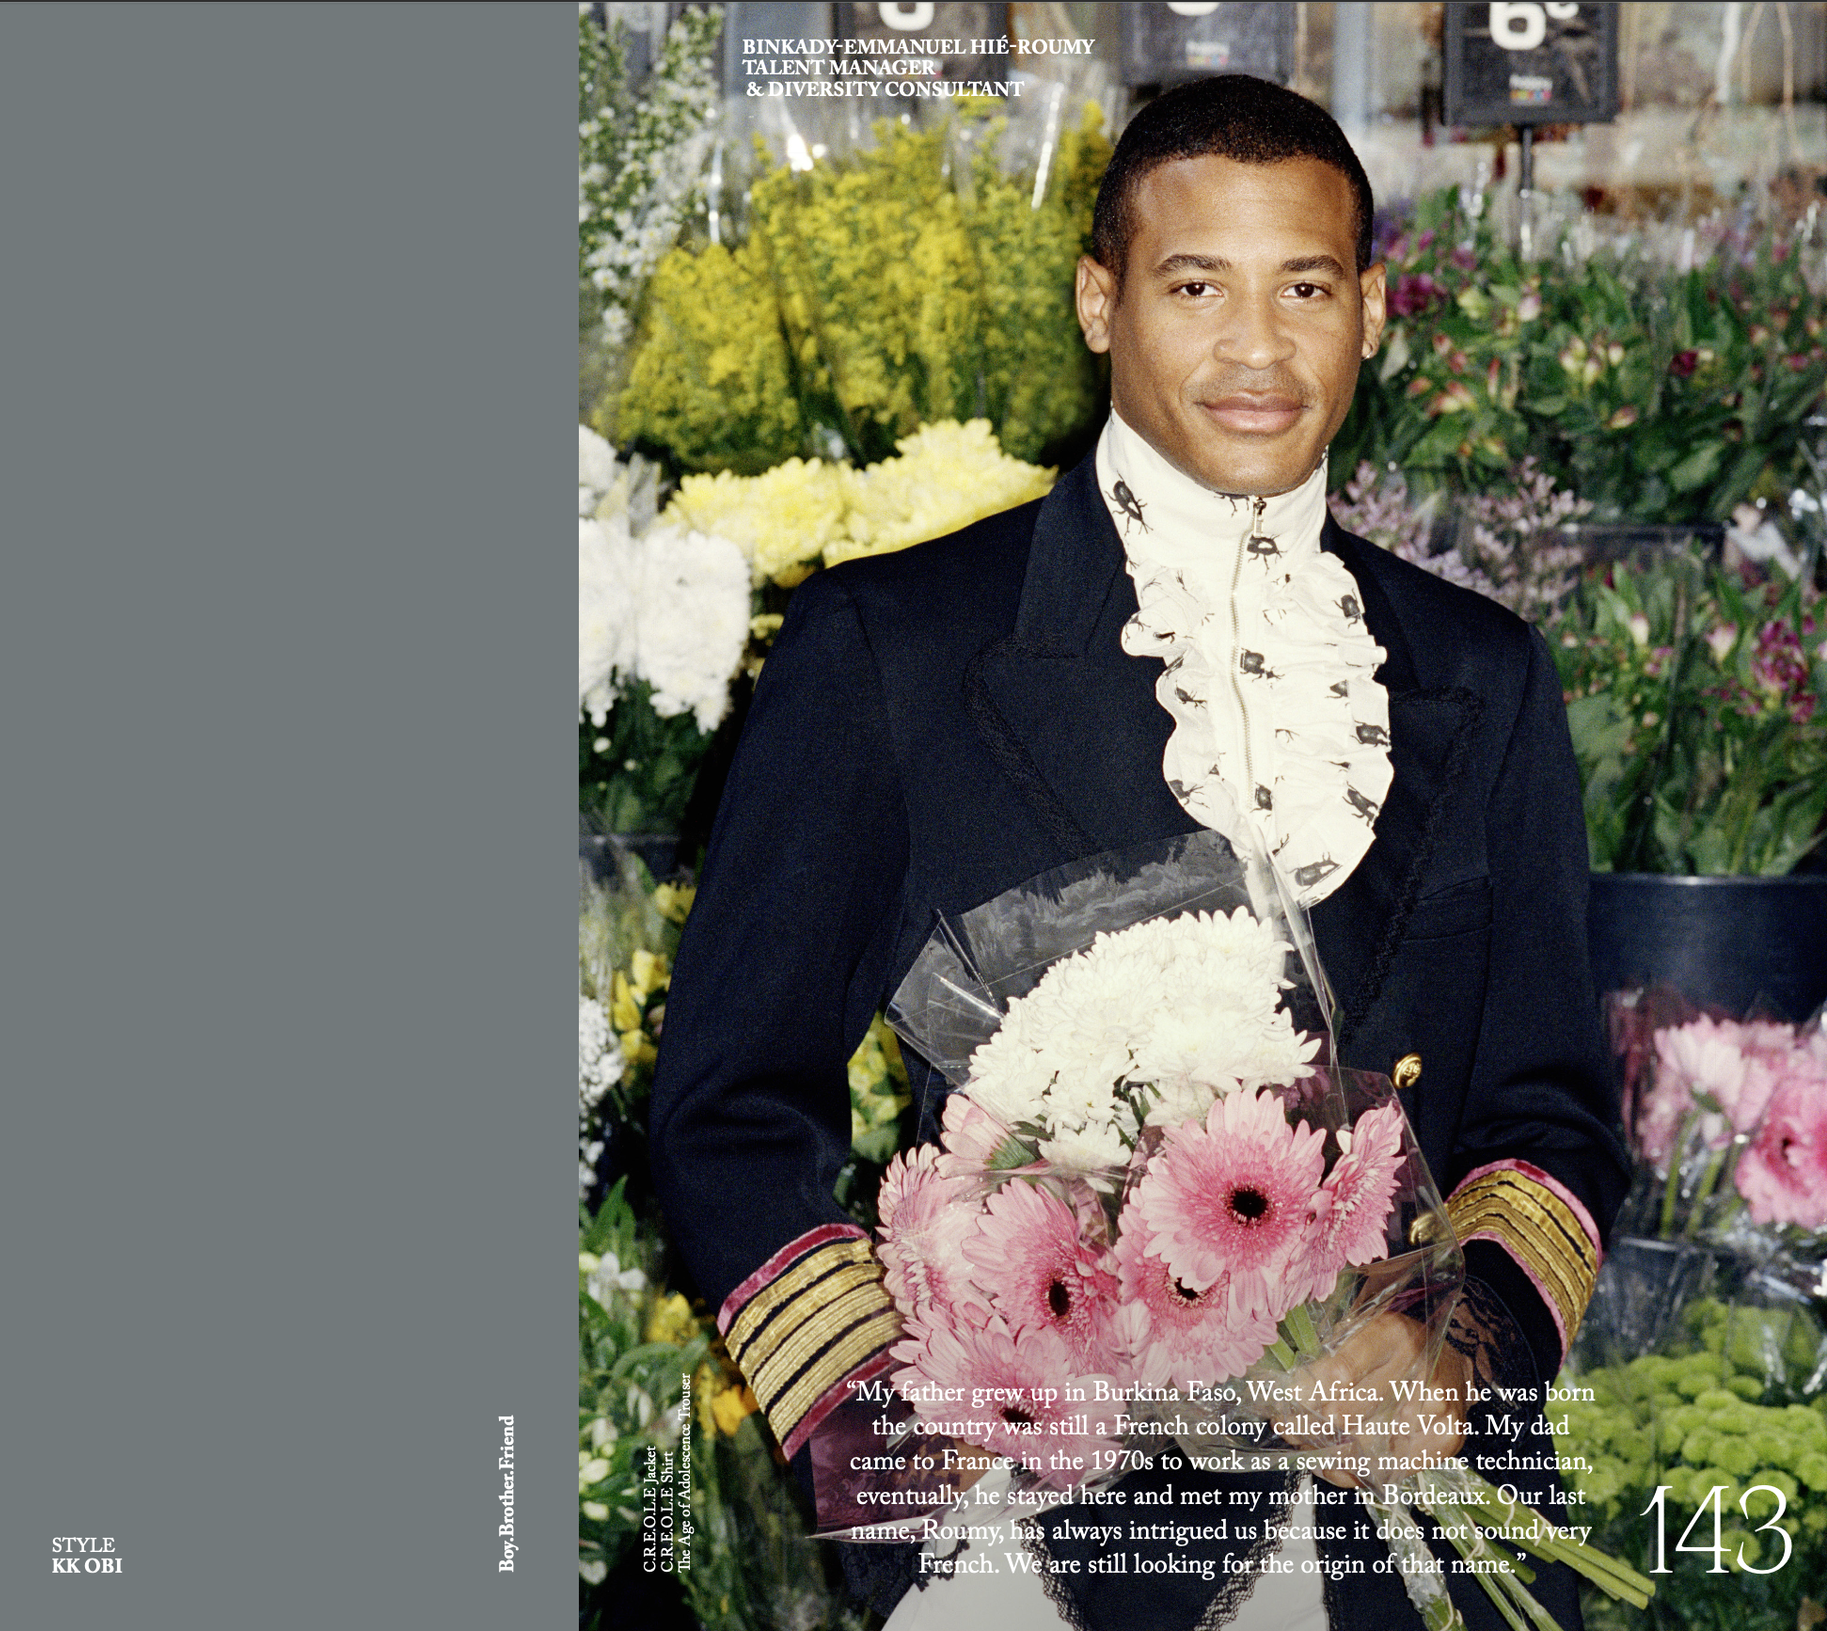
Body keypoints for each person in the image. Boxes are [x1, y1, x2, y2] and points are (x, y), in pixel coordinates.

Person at [648, 75, 1627, 1631]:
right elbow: (727, 1113)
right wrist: (913, 1483)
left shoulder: (1483, 670)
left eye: (1306, 287)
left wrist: (1467, 1345)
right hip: (1043, 1554)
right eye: (1195, 287)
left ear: (1373, 312)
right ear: (1100, 302)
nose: (1258, 350)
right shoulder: (889, 646)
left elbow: (1549, 1102)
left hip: (1409, 1549)